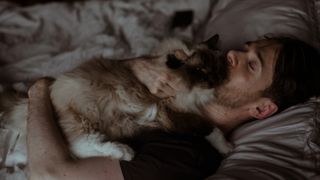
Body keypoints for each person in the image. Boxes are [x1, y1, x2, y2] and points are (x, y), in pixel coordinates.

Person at [26, 36, 320, 180]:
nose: (232, 54)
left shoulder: (185, 155)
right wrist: (138, 67)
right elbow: (95, 78)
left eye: (251, 64)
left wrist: (38, 90)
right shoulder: (170, 81)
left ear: (262, 109)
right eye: (244, 48)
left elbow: (49, 174)